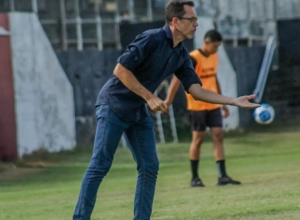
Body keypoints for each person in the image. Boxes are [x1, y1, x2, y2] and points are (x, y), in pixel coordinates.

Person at [73, 1, 259, 220]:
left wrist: (233, 101)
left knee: (150, 166)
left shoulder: (181, 54)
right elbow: (121, 70)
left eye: (196, 20)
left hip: (137, 112)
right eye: (192, 20)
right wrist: (149, 96)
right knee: (100, 164)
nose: (196, 24)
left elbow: (197, 91)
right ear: (175, 21)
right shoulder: (151, 38)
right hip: (113, 104)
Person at [164, 30, 242, 188]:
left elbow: (214, 79)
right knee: (198, 140)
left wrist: (223, 103)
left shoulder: (214, 56)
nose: (217, 49)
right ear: (206, 42)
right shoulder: (193, 58)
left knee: (218, 136)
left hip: (213, 104)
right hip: (197, 105)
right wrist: (168, 101)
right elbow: (177, 79)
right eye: (215, 46)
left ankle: (223, 176)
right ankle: (195, 178)